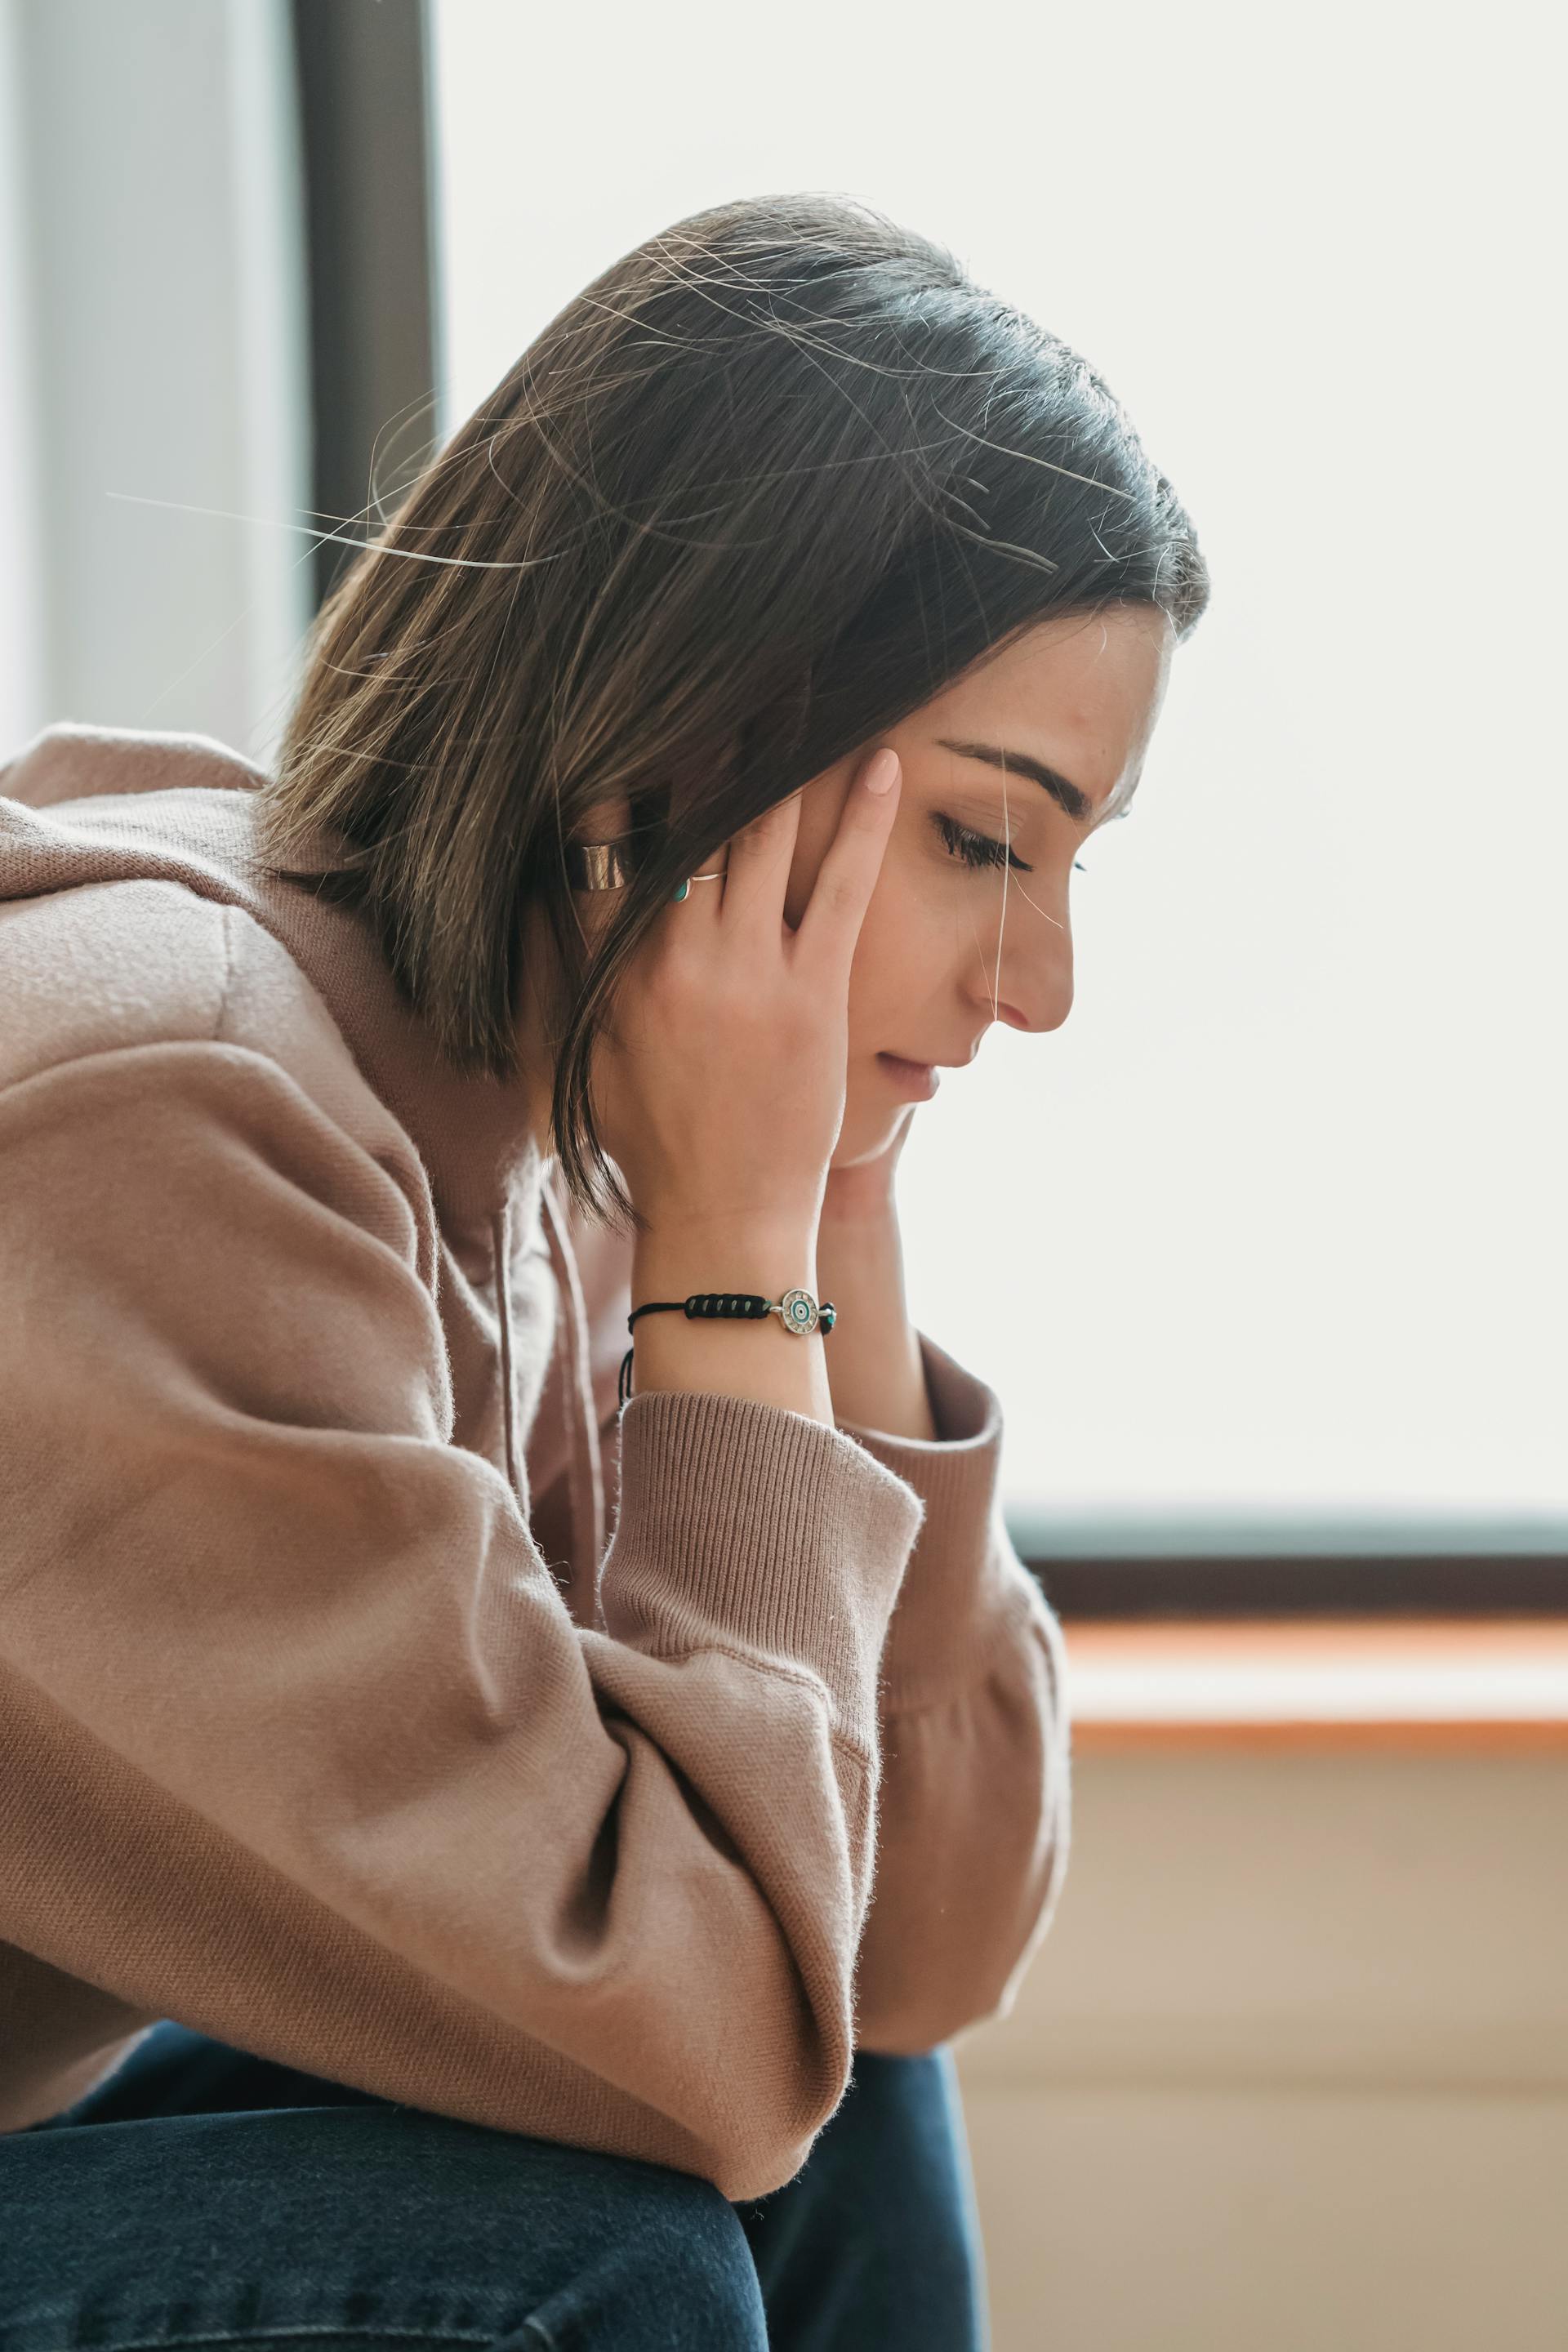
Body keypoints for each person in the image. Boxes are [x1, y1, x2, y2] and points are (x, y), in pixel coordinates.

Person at [0, 190, 1208, 2348]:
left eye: (1067, 868)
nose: (1042, 987)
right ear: (689, 746)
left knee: (814, 2029)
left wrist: (827, 1213)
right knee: (604, 2255)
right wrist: (741, 1258)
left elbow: (892, 1958)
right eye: (980, 840)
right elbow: (712, 2032)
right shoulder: (171, 1117)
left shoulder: (540, 1137)